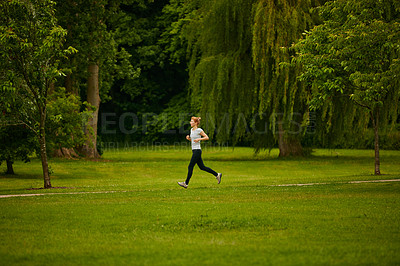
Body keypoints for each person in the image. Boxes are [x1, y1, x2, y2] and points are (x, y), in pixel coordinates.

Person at [178, 117, 222, 188]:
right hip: (194, 150)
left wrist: (199, 138)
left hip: (197, 151)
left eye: (191, 121)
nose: (190, 122)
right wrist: (189, 139)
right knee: (202, 167)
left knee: (190, 166)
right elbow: (193, 141)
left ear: (196, 123)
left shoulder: (199, 130)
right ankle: (217, 174)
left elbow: (206, 137)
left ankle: (186, 183)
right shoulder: (191, 130)